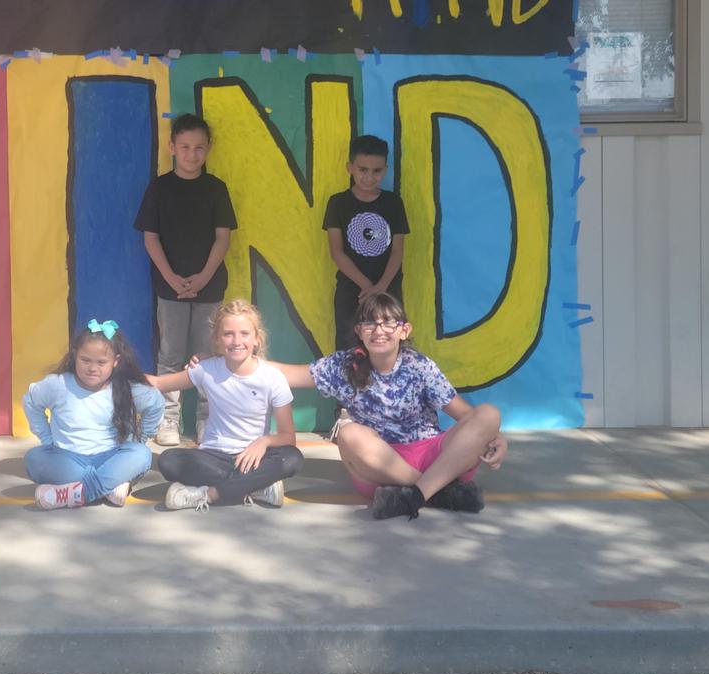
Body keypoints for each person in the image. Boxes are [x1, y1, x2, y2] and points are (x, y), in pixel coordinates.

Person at [276, 292, 506, 520]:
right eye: (370, 323)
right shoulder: (343, 366)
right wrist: (243, 358)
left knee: (489, 414)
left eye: (388, 322)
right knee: (348, 434)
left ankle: (416, 495)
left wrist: (496, 438)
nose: (379, 330)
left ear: (404, 330)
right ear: (359, 331)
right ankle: (439, 492)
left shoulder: (420, 366)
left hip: (434, 457)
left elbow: (468, 416)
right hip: (381, 467)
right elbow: (288, 375)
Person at [133, 113, 237, 447]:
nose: (192, 154)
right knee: (171, 354)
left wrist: (204, 277)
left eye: (199, 148)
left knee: (208, 355)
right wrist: (172, 278)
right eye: (185, 147)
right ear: (172, 147)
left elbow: (223, 237)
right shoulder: (159, 188)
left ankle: (207, 420)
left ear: (209, 149)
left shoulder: (216, 189)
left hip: (210, 288)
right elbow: (151, 238)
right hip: (169, 288)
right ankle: (168, 420)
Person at [148, 299, 304, 510]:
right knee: (168, 461)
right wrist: (116, 373)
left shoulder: (272, 378)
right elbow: (160, 383)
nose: (236, 341)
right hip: (214, 456)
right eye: (228, 334)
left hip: (254, 457)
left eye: (244, 334)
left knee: (292, 458)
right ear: (217, 340)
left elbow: (288, 437)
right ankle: (256, 486)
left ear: (257, 339)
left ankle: (210, 493)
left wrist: (264, 442)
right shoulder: (206, 369)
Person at [21, 320, 164, 509]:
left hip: (111, 457)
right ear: (74, 356)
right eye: (85, 360)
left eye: (101, 362)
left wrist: (141, 438)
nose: (92, 368)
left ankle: (75, 494)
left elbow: (156, 402)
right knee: (34, 458)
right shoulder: (58, 385)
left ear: (116, 362)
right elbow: (31, 401)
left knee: (141, 454)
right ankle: (110, 486)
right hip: (68, 459)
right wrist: (47, 439)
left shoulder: (124, 387)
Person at [323, 134, 410, 355]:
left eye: (377, 171)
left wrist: (380, 288)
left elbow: (398, 251)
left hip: (388, 292)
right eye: (363, 170)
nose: (369, 177)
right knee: (350, 352)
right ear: (350, 168)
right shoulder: (337, 203)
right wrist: (367, 287)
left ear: (385, 169)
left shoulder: (393, 203)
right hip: (351, 292)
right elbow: (337, 252)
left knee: (389, 351)